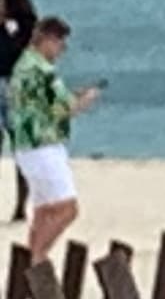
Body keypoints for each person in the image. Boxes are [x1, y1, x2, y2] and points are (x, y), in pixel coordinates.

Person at [8, 14, 102, 259]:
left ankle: (32, 261)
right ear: (48, 40)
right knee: (66, 209)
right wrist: (84, 100)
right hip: (42, 146)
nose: (62, 50)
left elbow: (41, 103)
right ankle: (37, 258)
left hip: (26, 145)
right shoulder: (40, 70)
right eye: (60, 44)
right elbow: (60, 110)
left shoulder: (24, 65)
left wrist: (71, 98)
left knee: (44, 210)